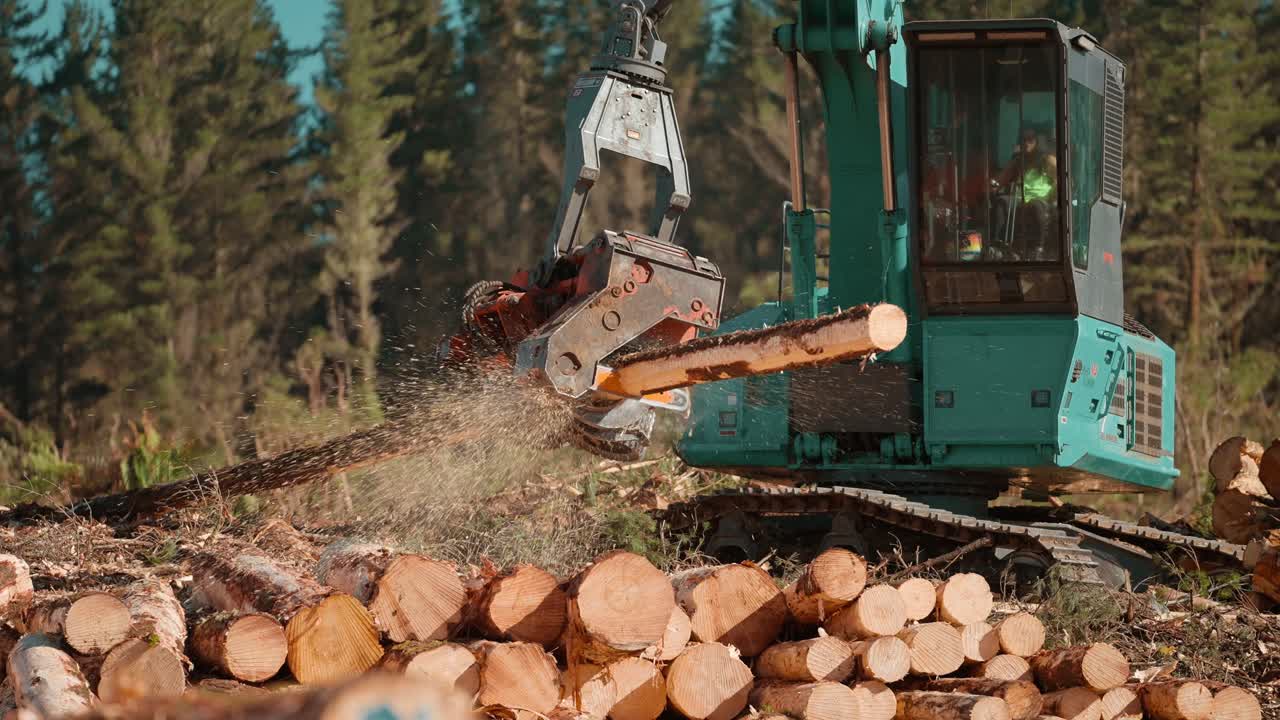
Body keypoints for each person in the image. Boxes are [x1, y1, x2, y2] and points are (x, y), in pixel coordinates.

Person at [993, 129, 1058, 260]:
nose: (1027, 144)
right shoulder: (1018, 161)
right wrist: (993, 183)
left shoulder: (1047, 160)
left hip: (1041, 199)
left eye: (1030, 141)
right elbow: (1001, 178)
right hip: (1020, 198)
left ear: (1036, 142)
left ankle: (1038, 248)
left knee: (1035, 206)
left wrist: (1054, 197)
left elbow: (1062, 178)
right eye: (1024, 141)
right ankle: (997, 244)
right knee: (1002, 202)